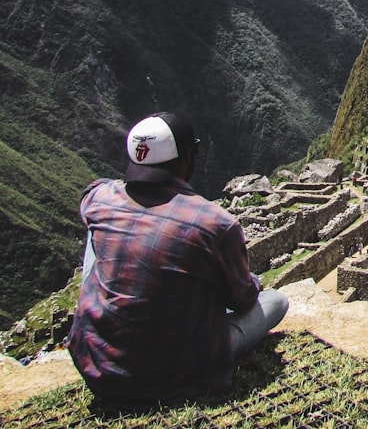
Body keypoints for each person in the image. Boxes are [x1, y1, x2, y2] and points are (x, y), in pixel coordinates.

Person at [68, 112, 288, 405]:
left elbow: (90, 194)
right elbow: (243, 300)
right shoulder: (214, 224)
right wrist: (252, 282)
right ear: (187, 157)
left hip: (97, 366)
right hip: (178, 371)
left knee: (96, 231)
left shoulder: (100, 198)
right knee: (276, 301)